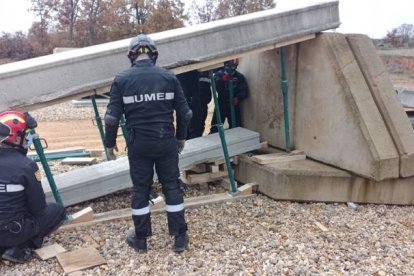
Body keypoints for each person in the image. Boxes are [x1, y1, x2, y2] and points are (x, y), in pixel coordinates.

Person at [104, 34, 192, 253]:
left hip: (139, 144)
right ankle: (180, 238)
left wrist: (109, 144)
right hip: (166, 142)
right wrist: (180, 137)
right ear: (154, 55)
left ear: (131, 56)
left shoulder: (122, 79)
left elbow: (111, 118)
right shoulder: (169, 77)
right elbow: (186, 113)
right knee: (171, 185)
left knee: (141, 189)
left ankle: (141, 240)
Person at [0, 111, 66, 264]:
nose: (27, 139)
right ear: (16, 138)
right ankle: (19, 247)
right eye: (25, 135)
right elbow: (39, 209)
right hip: (13, 230)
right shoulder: (26, 166)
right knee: (57, 211)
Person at [209, 59, 248, 133]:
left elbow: (244, 91)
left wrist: (238, 98)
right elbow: (214, 87)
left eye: (233, 66)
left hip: (233, 105)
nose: (230, 68)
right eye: (228, 65)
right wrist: (222, 80)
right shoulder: (218, 75)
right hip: (221, 104)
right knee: (216, 126)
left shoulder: (239, 77)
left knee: (236, 126)